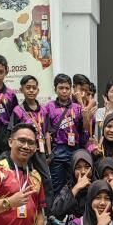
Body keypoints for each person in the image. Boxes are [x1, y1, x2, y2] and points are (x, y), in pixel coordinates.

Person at [45, 73, 93, 202]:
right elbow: (47, 132)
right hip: (58, 151)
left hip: (74, 151)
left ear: (71, 89)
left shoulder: (77, 107)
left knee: (74, 182)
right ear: (55, 89)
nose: (64, 91)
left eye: (67, 88)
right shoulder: (49, 107)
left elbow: (85, 129)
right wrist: (49, 154)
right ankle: (57, 211)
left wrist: (86, 116)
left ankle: (73, 209)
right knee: (57, 185)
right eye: (61, 88)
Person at [10, 76, 54, 210]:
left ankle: (49, 212)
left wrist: (49, 153)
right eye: (28, 88)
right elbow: (13, 132)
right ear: (21, 90)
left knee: (46, 179)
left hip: (39, 150)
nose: (31, 90)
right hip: (24, 150)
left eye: (34, 88)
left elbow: (47, 132)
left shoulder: (44, 110)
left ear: (38, 90)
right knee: (25, 178)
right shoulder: (18, 110)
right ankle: (26, 209)